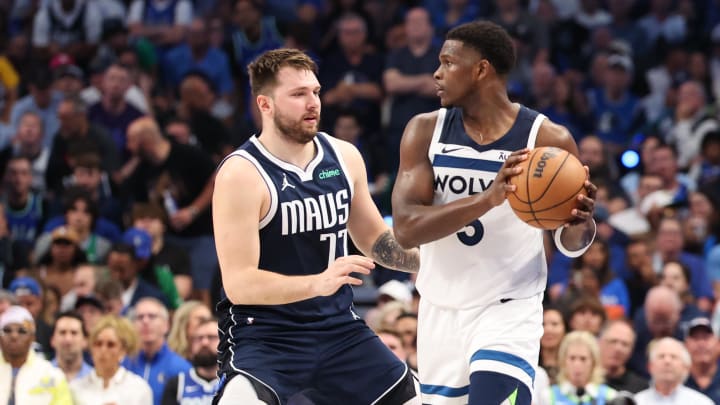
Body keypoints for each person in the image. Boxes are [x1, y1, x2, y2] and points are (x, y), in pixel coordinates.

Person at [391, 21, 596, 405]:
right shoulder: (424, 131)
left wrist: (579, 221)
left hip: (509, 309)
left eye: (448, 63)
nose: (437, 73)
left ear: (481, 69)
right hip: (440, 310)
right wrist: (487, 198)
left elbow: (571, 244)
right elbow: (406, 229)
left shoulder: (547, 138)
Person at [212, 48, 421, 404]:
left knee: (417, 399)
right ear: (265, 104)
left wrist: (427, 260)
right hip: (266, 336)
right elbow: (239, 284)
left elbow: (373, 239)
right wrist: (317, 283)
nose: (313, 103)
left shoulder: (344, 155)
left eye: (316, 91)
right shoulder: (241, 174)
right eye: (298, 94)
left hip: (339, 330)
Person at [70, 314, 153, 404]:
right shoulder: (75, 388)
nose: (103, 350)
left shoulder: (139, 389)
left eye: (111, 345)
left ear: (123, 350)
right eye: (98, 344)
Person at [0, 305, 73, 404]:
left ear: (32, 337)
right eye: (7, 330)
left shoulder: (52, 375)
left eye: (22, 331)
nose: (14, 336)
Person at [634, 337, 714, 405]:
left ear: (685, 367)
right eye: (661, 356)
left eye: (674, 357)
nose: (667, 361)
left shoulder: (702, 403)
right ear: (650, 366)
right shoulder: (637, 402)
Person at [161, 318, 220, 404]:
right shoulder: (177, 384)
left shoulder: (233, 382)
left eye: (211, 337)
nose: (204, 342)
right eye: (199, 338)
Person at [50, 311, 92, 382]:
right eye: (62, 332)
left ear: (85, 341)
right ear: (52, 340)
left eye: (74, 333)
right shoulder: (40, 375)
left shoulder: (95, 378)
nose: (68, 339)